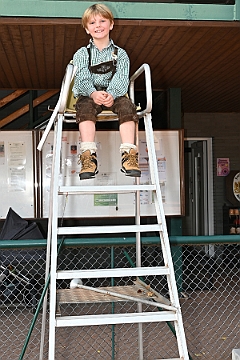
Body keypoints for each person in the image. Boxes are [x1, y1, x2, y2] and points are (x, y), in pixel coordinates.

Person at [72, 3, 141, 180]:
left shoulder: (120, 54)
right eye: (92, 23)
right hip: (89, 94)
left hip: (114, 93)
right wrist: (93, 93)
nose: (98, 26)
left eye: (102, 21)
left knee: (127, 106)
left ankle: (129, 155)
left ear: (111, 24)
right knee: (85, 108)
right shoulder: (82, 53)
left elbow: (122, 76)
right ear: (87, 29)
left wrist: (112, 93)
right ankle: (88, 155)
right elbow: (81, 77)